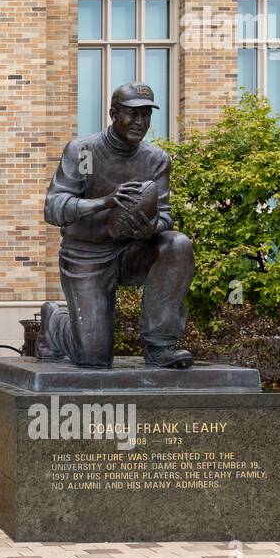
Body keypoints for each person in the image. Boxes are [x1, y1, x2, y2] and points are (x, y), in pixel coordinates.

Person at [40, 82, 194, 368]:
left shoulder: (156, 159)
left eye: (146, 115)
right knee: (94, 358)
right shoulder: (84, 152)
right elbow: (54, 208)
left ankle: (160, 346)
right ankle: (55, 322)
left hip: (131, 251)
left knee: (177, 244)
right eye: (131, 114)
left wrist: (150, 228)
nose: (140, 122)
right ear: (113, 113)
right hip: (86, 254)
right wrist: (105, 202)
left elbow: (165, 215)